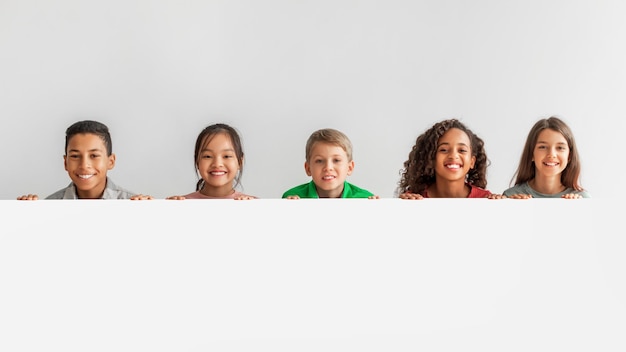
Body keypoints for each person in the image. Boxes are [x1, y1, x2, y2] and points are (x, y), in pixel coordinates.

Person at [16, 120, 152, 200]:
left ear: (111, 161)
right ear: (65, 162)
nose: (84, 165)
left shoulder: (132, 203)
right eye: (75, 156)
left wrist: (159, 214)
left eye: (94, 156)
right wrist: (24, 215)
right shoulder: (50, 206)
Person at [490, 116, 590, 199]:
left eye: (560, 148)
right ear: (531, 154)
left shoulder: (581, 199)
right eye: (543, 147)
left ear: (569, 156)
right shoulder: (512, 196)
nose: (551, 154)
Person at [396, 118, 491, 199]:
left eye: (462, 150)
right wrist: (400, 207)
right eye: (444, 150)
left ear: (472, 161)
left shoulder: (485, 199)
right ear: (431, 158)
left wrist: (503, 205)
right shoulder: (414, 199)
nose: (453, 155)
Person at [166, 123, 256, 200]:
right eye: (208, 156)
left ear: (239, 162)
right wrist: (160, 208)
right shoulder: (181, 203)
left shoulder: (254, 204)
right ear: (197, 161)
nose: (217, 164)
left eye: (227, 156)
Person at [282, 128, 378, 199]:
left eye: (336, 160)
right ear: (308, 168)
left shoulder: (365, 199)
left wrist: (378, 212)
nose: (328, 167)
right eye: (319, 161)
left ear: (350, 168)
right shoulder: (293, 198)